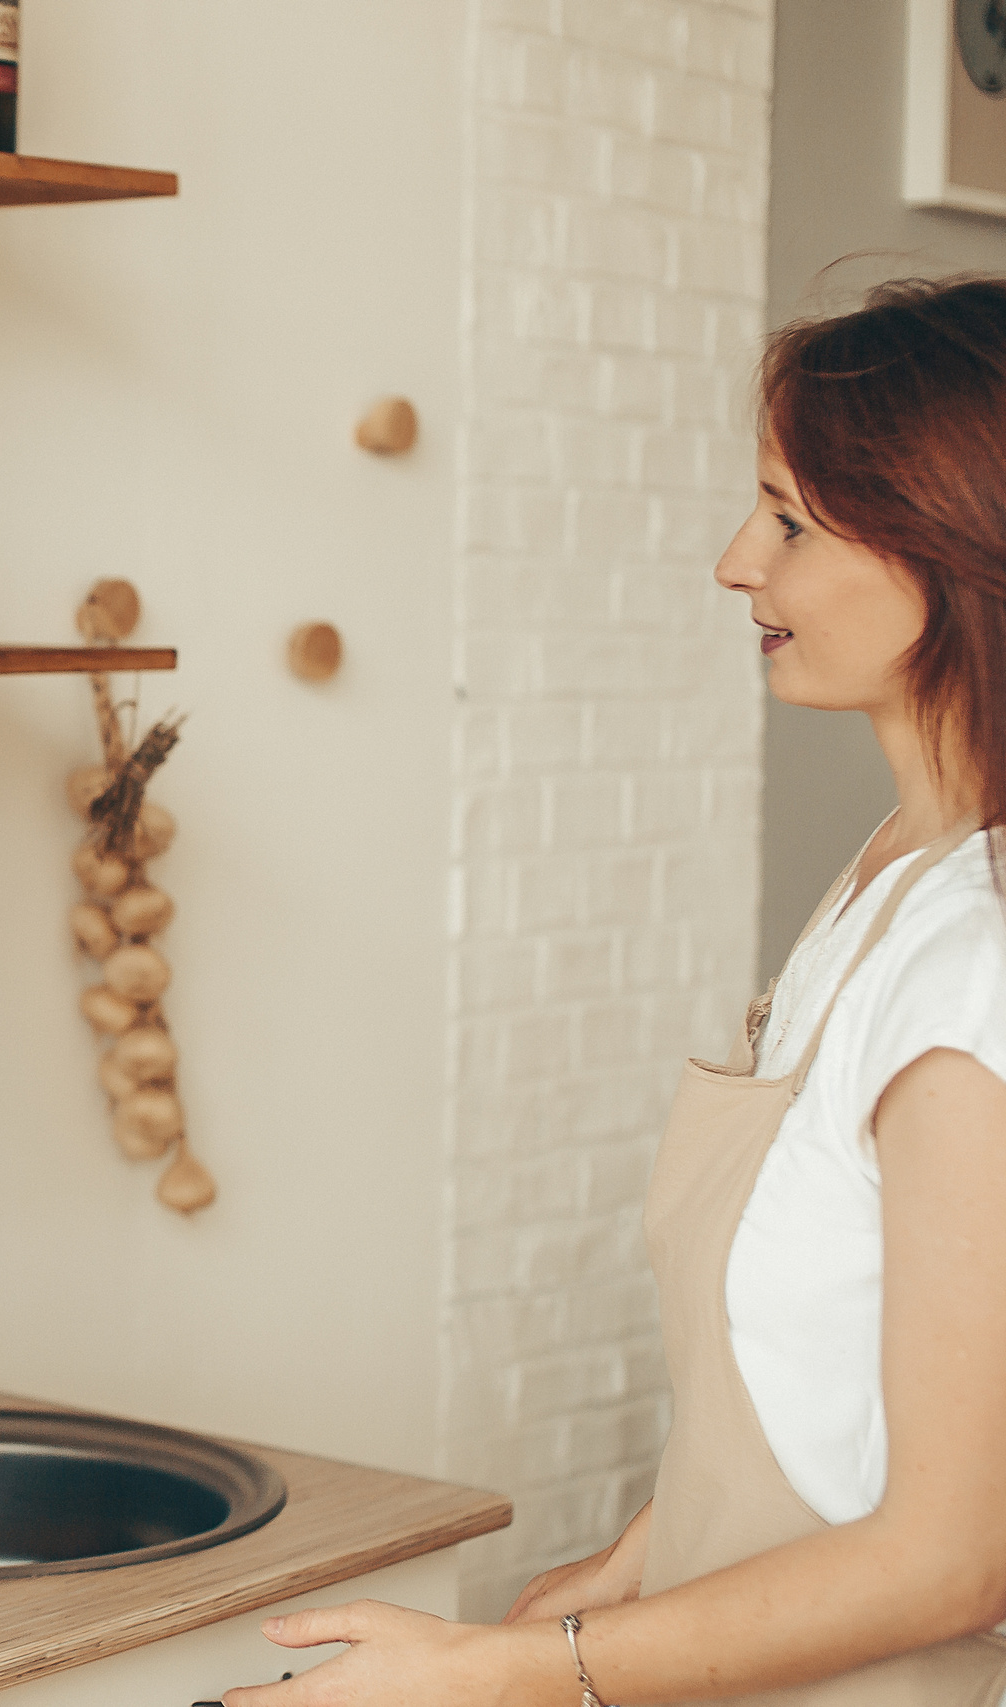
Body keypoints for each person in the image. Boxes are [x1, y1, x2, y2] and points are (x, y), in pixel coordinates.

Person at [224, 276, 1006, 1705]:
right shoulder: (897, 871)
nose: (732, 562)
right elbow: (825, 1372)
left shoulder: (978, 968)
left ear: (947, 544)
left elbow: (952, 1557)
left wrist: (522, 1675)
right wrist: (634, 1564)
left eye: (788, 517)